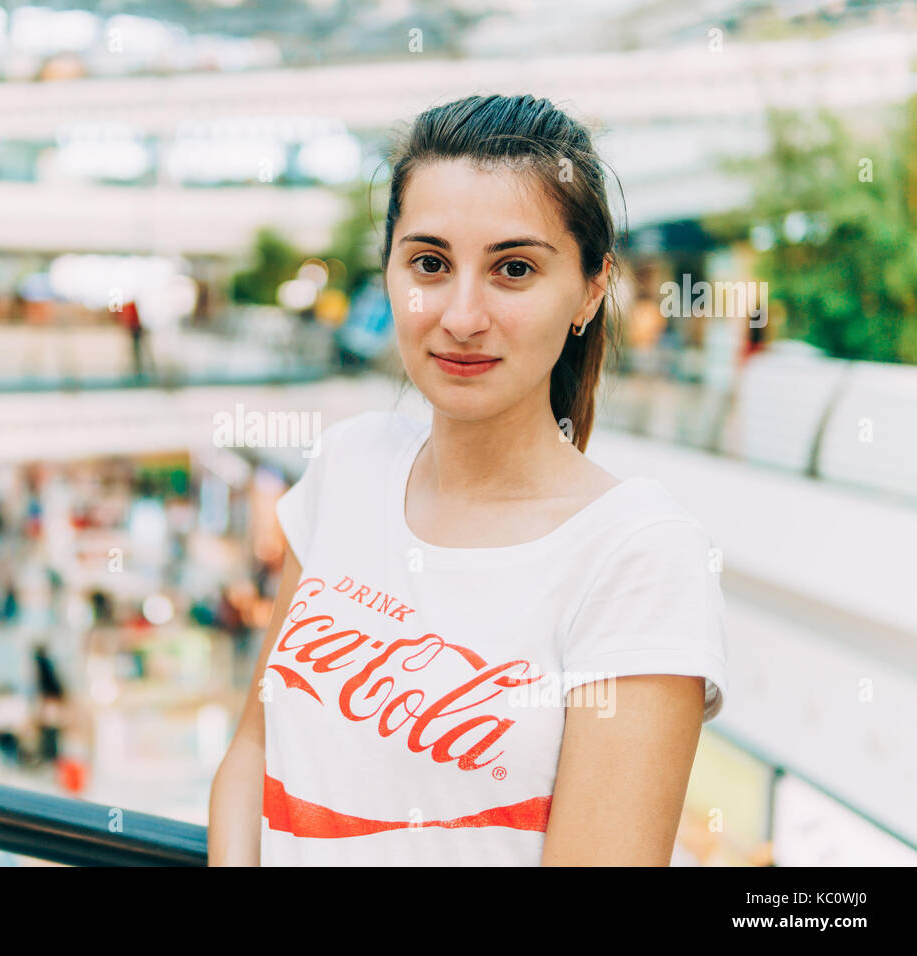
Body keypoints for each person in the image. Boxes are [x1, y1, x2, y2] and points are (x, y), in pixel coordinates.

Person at [208, 94, 729, 867]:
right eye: (429, 263)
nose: (460, 314)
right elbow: (255, 747)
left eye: (513, 269)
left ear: (591, 289)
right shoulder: (349, 464)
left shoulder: (637, 557)